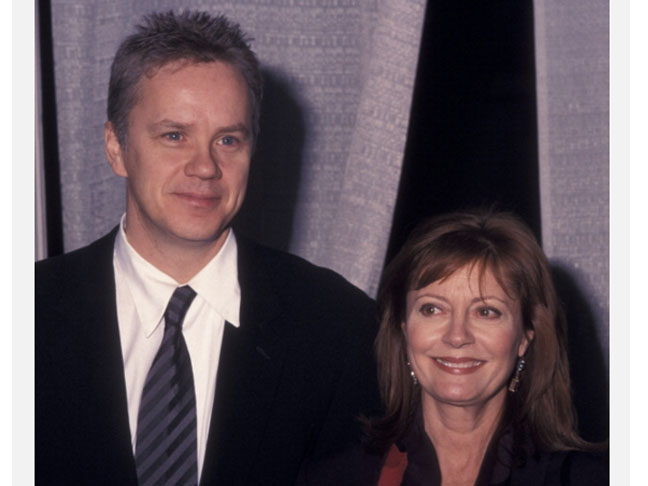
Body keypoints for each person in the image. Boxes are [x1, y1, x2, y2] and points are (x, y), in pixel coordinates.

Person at [35, 10, 380, 486]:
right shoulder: (25, 314)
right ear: (116, 146)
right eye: (174, 136)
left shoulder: (337, 326)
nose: (205, 167)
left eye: (228, 140)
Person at [301, 209, 608, 485]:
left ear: (525, 337)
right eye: (433, 309)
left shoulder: (591, 479)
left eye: (486, 311)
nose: (457, 335)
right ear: (404, 328)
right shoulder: (334, 479)